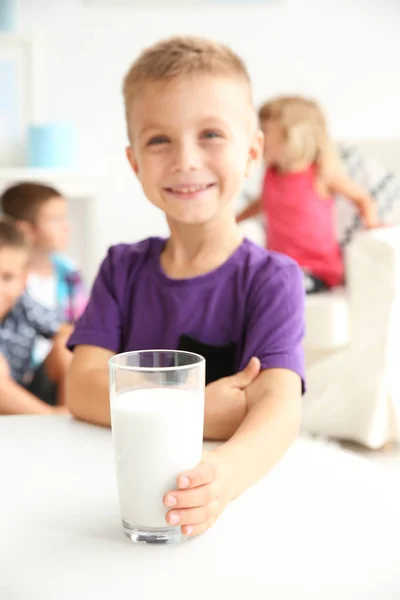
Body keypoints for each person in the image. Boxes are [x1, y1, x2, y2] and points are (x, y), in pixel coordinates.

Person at [66, 36, 305, 538]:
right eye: (159, 141)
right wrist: (198, 408)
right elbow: (80, 387)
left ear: (253, 152)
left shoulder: (271, 278)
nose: (185, 160)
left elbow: (277, 407)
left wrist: (224, 477)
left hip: (218, 502)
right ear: (135, 164)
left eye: (211, 134)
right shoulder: (122, 268)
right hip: (111, 491)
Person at [236, 96, 380, 293]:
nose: (258, 138)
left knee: (280, 285)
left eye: (266, 131)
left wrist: (372, 226)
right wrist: (232, 221)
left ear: (291, 135)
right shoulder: (271, 175)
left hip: (317, 270)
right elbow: (261, 203)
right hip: (279, 265)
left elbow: (363, 200)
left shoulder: (320, 174)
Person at [0, 181, 88, 365]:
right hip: (15, 372)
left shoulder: (69, 272)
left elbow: (78, 328)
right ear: (25, 229)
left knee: (65, 344)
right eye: (55, 220)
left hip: (49, 370)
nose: (66, 226)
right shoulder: (12, 286)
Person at [0, 218, 72, 414]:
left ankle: (70, 409)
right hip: (18, 406)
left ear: (23, 280)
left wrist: (62, 338)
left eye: (7, 278)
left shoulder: (22, 306)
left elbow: (66, 330)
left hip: (26, 395)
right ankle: (55, 418)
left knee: (67, 343)